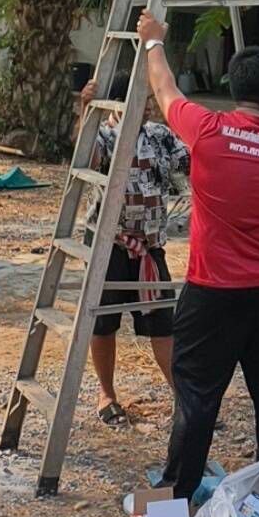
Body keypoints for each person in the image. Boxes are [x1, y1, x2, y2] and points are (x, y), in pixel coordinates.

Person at [136, 8, 259, 503]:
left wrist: (153, 41)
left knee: (196, 396)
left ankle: (175, 496)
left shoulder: (207, 129)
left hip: (212, 291)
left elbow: (164, 88)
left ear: (231, 86)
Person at [80, 70, 190, 425]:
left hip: (150, 246)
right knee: (103, 322)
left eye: (147, 100)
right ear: (118, 103)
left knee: (162, 322)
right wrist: (85, 111)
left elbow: (189, 162)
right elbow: (87, 158)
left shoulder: (159, 135)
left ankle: (183, 398)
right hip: (109, 244)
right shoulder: (103, 134)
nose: (146, 107)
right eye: (139, 100)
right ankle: (106, 394)